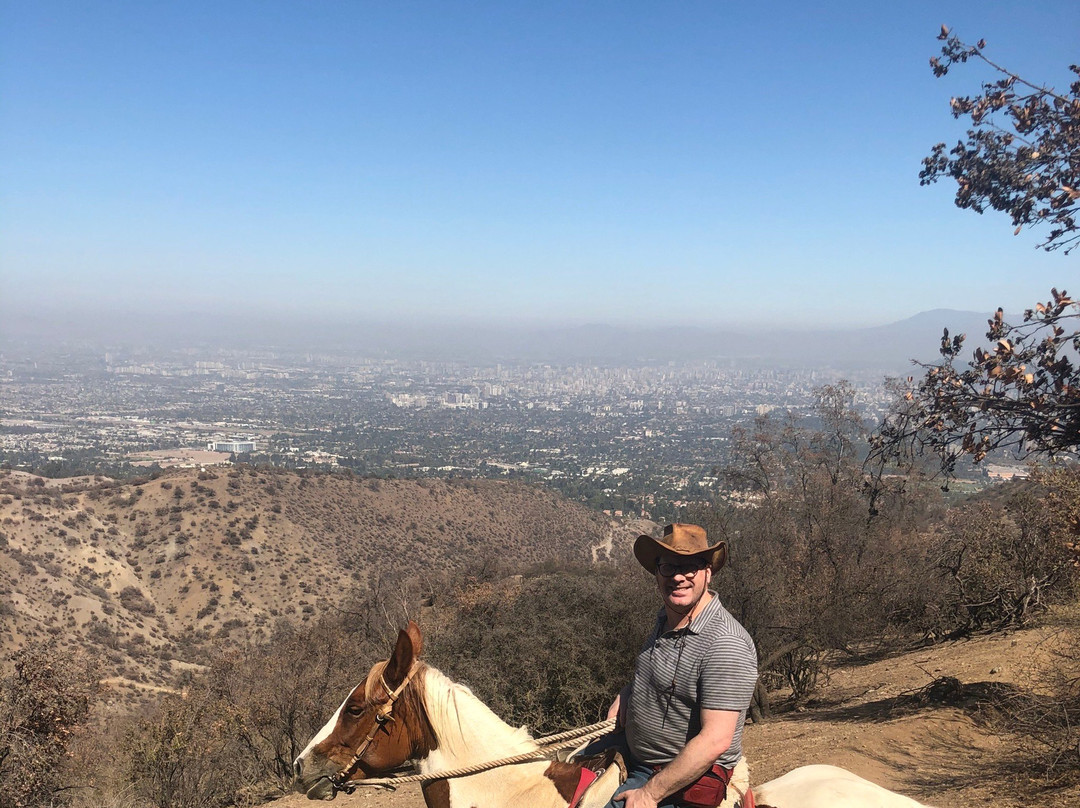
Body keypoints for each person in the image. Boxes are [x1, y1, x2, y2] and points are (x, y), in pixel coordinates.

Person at [603, 523, 757, 808]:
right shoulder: (668, 617)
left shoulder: (725, 643)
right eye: (669, 567)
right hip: (635, 752)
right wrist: (629, 692)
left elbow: (715, 739)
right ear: (656, 574)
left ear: (708, 573)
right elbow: (662, 678)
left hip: (673, 777)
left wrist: (648, 794)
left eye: (691, 567)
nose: (678, 577)